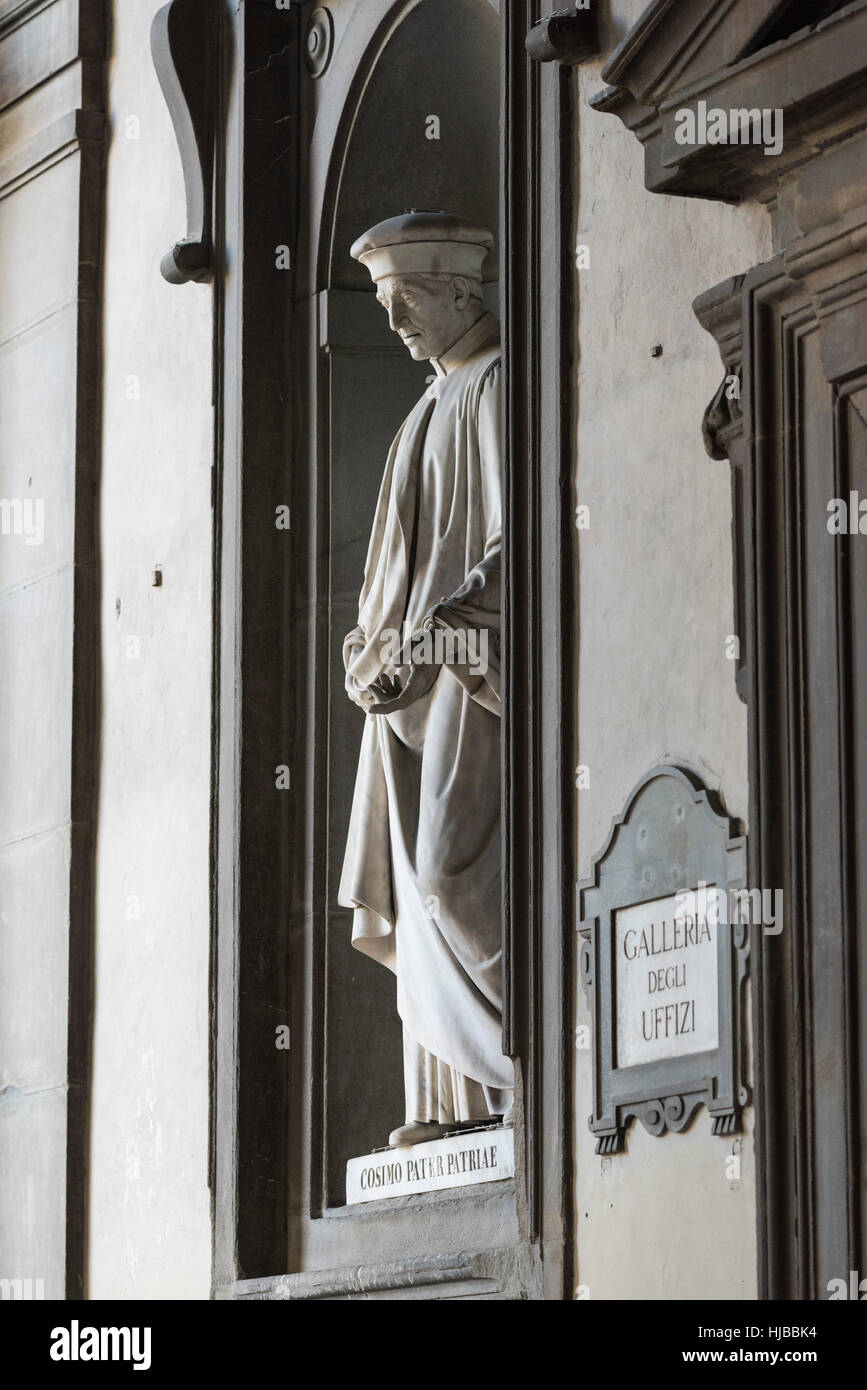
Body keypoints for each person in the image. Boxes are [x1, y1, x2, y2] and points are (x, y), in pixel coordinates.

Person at [339, 211, 514, 1148]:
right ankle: (454, 1106)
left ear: (461, 290)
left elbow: (514, 537)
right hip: (409, 689)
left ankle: (527, 1060)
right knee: (413, 887)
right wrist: (372, 654)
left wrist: (449, 628)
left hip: (471, 674)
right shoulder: (419, 415)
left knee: (450, 875)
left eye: (407, 301)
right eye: (383, 305)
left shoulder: (494, 388)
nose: (397, 324)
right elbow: (387, 571)